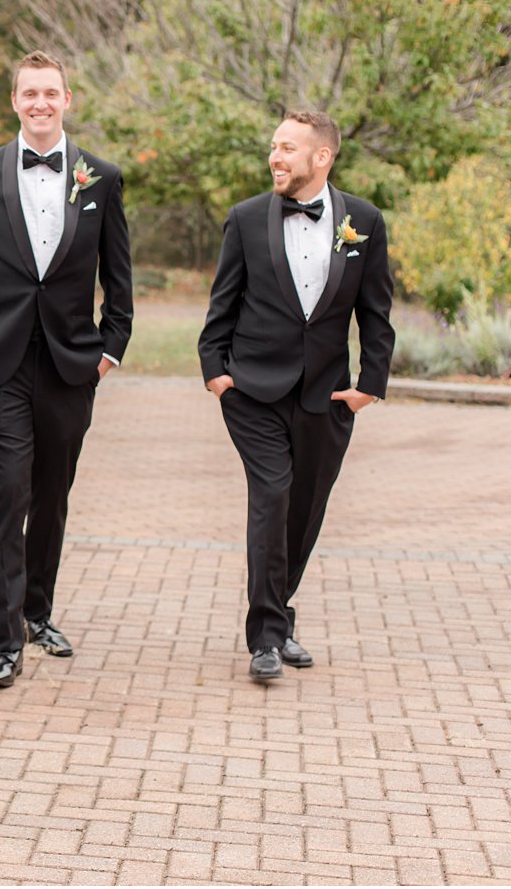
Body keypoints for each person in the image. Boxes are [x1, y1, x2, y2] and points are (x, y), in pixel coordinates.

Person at [0, 50, 132, 688]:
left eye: (50, 93)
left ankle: (37, 611)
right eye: (29, 93)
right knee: (10, 485)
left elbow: (119, 275)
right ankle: (4, 642)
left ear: (68, 99)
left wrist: (110, 348)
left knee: (52, 492)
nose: (40, 103)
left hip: (70, 362)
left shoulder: (101, 179)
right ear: (15, 101)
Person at [197, 110, 395, 682]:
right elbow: (223, 305)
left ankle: (279, 614)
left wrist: (369, 388)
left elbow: (376, 313)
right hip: (252, 391)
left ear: (322, 157)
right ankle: (264, 636)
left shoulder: (365, 221)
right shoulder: (246, 218)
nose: (276, 158)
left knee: (306, 510)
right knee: (274, 496)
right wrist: (217, 372)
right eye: (274, 147)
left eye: (288, 148)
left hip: (327, 397)